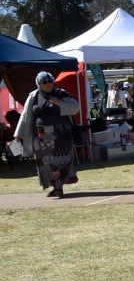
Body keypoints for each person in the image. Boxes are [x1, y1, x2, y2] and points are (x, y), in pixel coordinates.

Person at [14, 71, 81, 199]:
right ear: (39, 84)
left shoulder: (61, 93)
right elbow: (25, 115)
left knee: (61, 161)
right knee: (45, 163)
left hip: (61, 135)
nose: (48, 84)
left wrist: (59, 102)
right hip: (41, 135)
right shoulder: (33, 96)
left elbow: (75, 107)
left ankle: (59, 187)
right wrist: (18, 133)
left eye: (50, 81)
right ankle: (55, 187)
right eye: (44, 82)